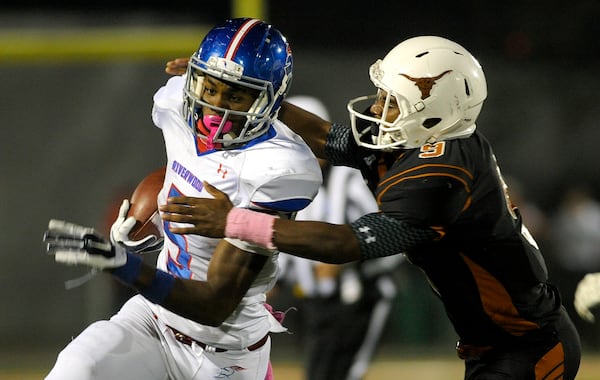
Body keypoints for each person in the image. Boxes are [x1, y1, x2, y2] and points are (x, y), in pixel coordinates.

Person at [159, 36, 582, 379]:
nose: (378, 108)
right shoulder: (421, 141)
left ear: (435, 115)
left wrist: (234, 221)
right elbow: (331, 139)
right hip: (493, 341)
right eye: (382, 95)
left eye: (392, 101)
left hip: (526, 345)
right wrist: (244, 93)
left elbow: (347, 242)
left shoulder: (441, 176)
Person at [42, 18, 322, 380]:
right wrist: (155, 219)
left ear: (268, 99)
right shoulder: (175, 105)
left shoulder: (278, 168)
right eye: (210, 88)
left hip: (225, 351)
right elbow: (190, 173)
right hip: (153, 319)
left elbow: (214, 304)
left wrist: (124, 265)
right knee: (79, 366)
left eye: (236, 95)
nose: (216, 108)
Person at [275, 95, 402, 380]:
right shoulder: (285, 186)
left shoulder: (348, 179)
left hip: (354, 299)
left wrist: (346, 260)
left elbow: (392, 232)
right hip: (309, 304)